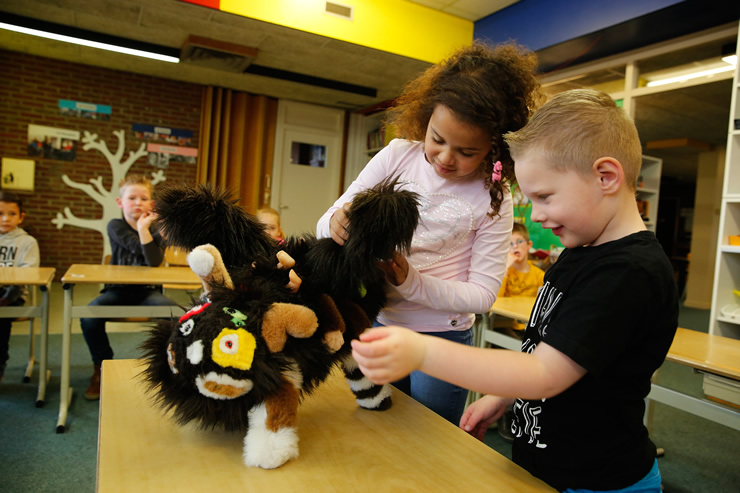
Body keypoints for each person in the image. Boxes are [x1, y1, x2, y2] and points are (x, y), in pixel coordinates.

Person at [350, 89, 679, 492]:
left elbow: (545, 374)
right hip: (543, 464)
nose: (536, 214)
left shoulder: (627, 273)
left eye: (544, 197)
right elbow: (558, 351)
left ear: (605, 177)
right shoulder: (580, 250)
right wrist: (505, 397)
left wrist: (422, 351)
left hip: (597, 481)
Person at [317, 42, 541, 424]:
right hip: (378, 319)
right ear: (425, 118)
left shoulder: (494, 197)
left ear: (496, 147)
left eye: (466, 151)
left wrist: (411, 281)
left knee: (431, 435)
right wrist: (339, 221)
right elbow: (327, 223)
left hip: (443, 338)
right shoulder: (396, 156)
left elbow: (483, 296)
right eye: (437, 138)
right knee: (374, 423)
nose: (444, 158)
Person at [80, 174, 176, 400]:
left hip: (148, 293)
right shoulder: (115, 225)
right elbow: (134, 246)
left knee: (177, 315)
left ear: (151, 204)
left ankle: (169, 365)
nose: (137, 202)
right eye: (131, 197)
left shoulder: (157, 229)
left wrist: (147, 229)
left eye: (143, 198)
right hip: (117, 291)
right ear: (120, 202)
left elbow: (153, 261)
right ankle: (100, 366)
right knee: (88, 317)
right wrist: (144, 231)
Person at [495, 221, 545, 442]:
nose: (515, 247)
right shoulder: (505, 272)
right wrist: (505, 268)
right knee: (518, 358)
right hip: (508, 328)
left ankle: (525, 411)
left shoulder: (538, 274)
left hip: (531, 330)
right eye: (510, 243)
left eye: (519, 242)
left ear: (529, 245)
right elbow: (496, 301)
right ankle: (509, 410)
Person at [0, 192, 40, 383]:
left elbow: (27, 275)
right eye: (0, 213)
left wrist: (7, 297)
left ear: (21, 216)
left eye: (12, 214)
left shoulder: (27, 242)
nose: (5, 218)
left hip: (12, 295)